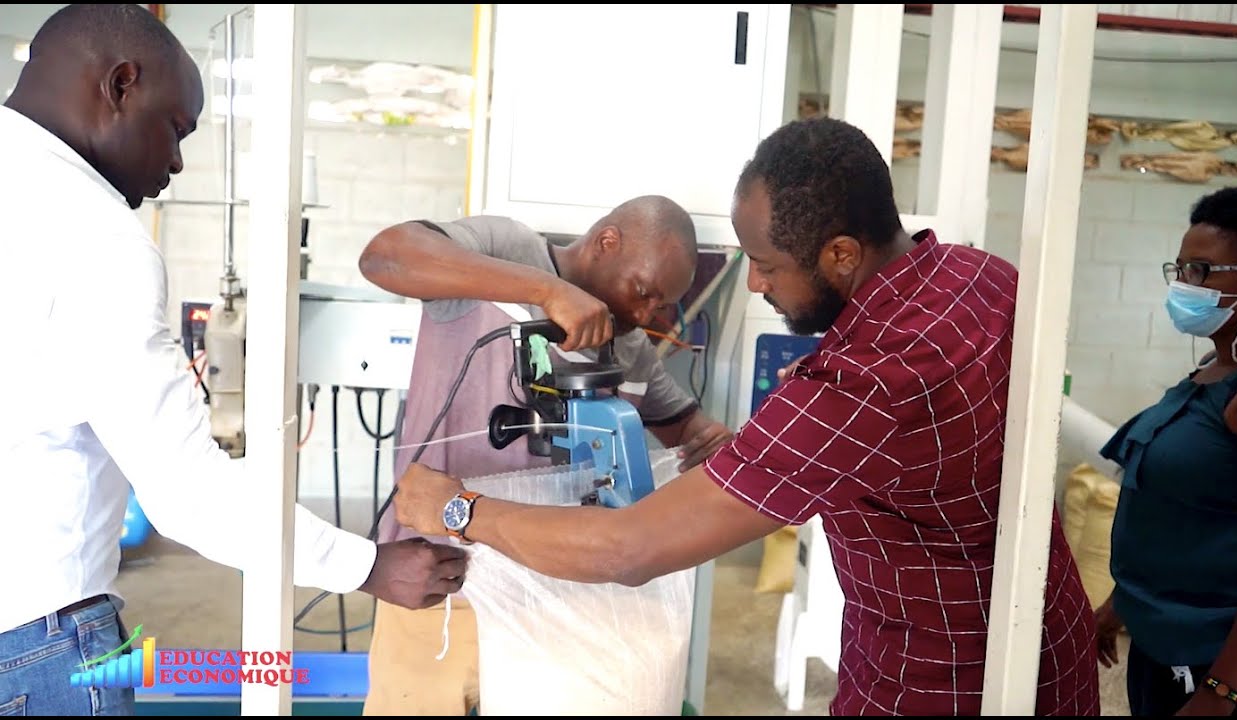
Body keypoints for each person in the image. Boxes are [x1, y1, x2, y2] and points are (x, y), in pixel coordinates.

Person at [391, 117, 1102, 716]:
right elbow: (391, 252)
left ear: (842, 255)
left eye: (765, 263)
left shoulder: (855, 386)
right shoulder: (981, 276)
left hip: (937, 679)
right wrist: (548, 292)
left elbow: (628, 550)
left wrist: (456, 508)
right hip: (1042, 646)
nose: (755, 282)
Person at [0, 5, 466, 716]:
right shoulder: (98, 238)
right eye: (177, 129)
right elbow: (188, 490)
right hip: (35, 639)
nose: (178, 163)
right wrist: (368, 565)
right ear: (121, 83)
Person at [356, 195, 734, 715]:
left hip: (556, 610)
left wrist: (708, 436)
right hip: (439, 592)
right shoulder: (507, 247)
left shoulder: (629, 348)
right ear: (606, 243)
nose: (646, 313)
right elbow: (385, 255)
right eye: (643, 292)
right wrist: (548, 291)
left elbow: (687, 431)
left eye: (661, 304)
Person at [1095, 183, 1237, 717]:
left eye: (1202, 270)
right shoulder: (1212, 372)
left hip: (1224, 666)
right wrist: (1121, 605)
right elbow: (1182, 515)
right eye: (1180, 270)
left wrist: (1220, 694)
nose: (1185, 286)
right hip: (1164, 650)